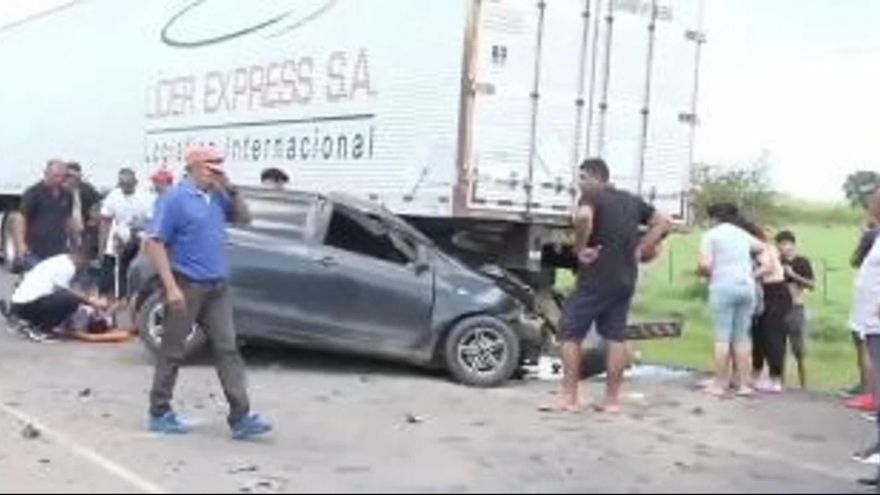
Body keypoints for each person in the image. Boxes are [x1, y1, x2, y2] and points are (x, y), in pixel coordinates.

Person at [145, 145, 272, 439]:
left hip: (217, 286)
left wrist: (232, 189)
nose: (216, 173)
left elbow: (243, 218)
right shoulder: (175, 198)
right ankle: (159, 411)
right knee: (173, 351)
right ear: (192, 168)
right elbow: (155, 243)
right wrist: (171, 287)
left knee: (227, 349)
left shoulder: (217, 196)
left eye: (218, 168)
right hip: (186, 283)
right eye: (210, 168)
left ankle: (241, 417)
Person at [554, 158, 671, 413]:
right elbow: (663, 221)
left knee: (568, 333)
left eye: (582, 176)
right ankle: (611, 401)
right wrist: (642, 247)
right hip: (626, 277)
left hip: (596, 276)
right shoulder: (631, 200)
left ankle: (569, 398)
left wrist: (580, 247)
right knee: (616, 336)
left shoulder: (591, 194)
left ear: (594, 177)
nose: (580, 182)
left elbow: (584, 217)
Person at [698, 203, 768, 397]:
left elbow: (705, 264)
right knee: (742, 337)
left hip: (723, 286)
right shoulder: (741, 234)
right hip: (746, 286)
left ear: (714, 218)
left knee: (722, 336)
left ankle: (720, 383)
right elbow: (763, 248)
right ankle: (744, 385)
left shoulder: (710, 236)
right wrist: (755, 270)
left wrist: (708, 273)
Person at [1, 246, 108, 342]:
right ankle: (40, 329)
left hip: (19, 304)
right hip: (26, 306)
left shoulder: (61, 259)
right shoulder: (68, 267)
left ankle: (27, 321)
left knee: (70, 298)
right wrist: (91, 302)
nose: (85, 267)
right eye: (87, 263)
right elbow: (66, 292)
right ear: (83, 258)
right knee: (70, 300)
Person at [99, 168, 154, 298]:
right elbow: (105, 221)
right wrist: (102, 246)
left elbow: (152, 222)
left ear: (135, 182)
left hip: (142, 234)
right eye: (122, 184)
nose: (125, 187)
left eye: (128, 184)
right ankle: (116, 296)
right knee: (113, 266)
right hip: (120, 235)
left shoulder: (147, 197)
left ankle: (135, 295)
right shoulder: (113, 196)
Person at [750, 225, 792, 393]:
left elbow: (768, 268)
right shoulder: (755, 251)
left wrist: (748, 276)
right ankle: (756, 373)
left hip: (776, 292)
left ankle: (775, 378)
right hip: (761, 293)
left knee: (773, 335)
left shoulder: (768, 250)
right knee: (758, 334)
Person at [13, 160, 74, 271]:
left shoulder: (67, 195)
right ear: (46, 174)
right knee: (38, 278)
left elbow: (68, 218)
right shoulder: (34, 193)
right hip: (35, 249)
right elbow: (20, 218)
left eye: (62, 176)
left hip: (57, 248)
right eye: (56, 176)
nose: (59, 179)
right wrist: (20, 244)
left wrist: (73, 240)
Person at [776, 230, 815, 390]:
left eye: (786, 244)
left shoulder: (802, 262)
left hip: (796, 308)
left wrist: (793, 275)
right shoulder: (776, 261)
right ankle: (780, 383)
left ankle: (804, 386)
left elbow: (812, 285)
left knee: (798, 348)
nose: (784, 248)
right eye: (780, 244)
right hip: (778, 308)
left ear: (793, 244)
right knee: (778, 347)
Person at [65, 162, 103, 257]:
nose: (70, 179)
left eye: (74, 177)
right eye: (68, 176)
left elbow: (98, 206)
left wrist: (94, 218)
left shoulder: (87, 190)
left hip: (84, 232)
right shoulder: (59, 191)